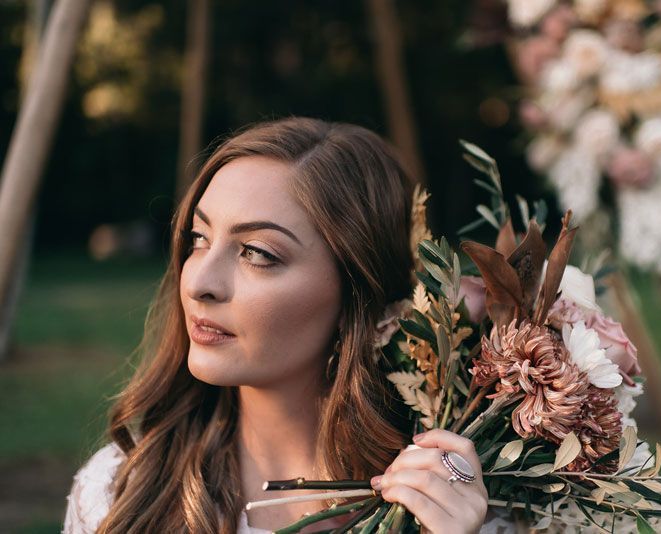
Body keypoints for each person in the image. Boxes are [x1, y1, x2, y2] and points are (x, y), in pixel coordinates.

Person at [62, 118, 493, 533]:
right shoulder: (119, 494)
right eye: (199, 238)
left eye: (257, 253)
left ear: (356, 294)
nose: (198, 283)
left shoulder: (459, 506)